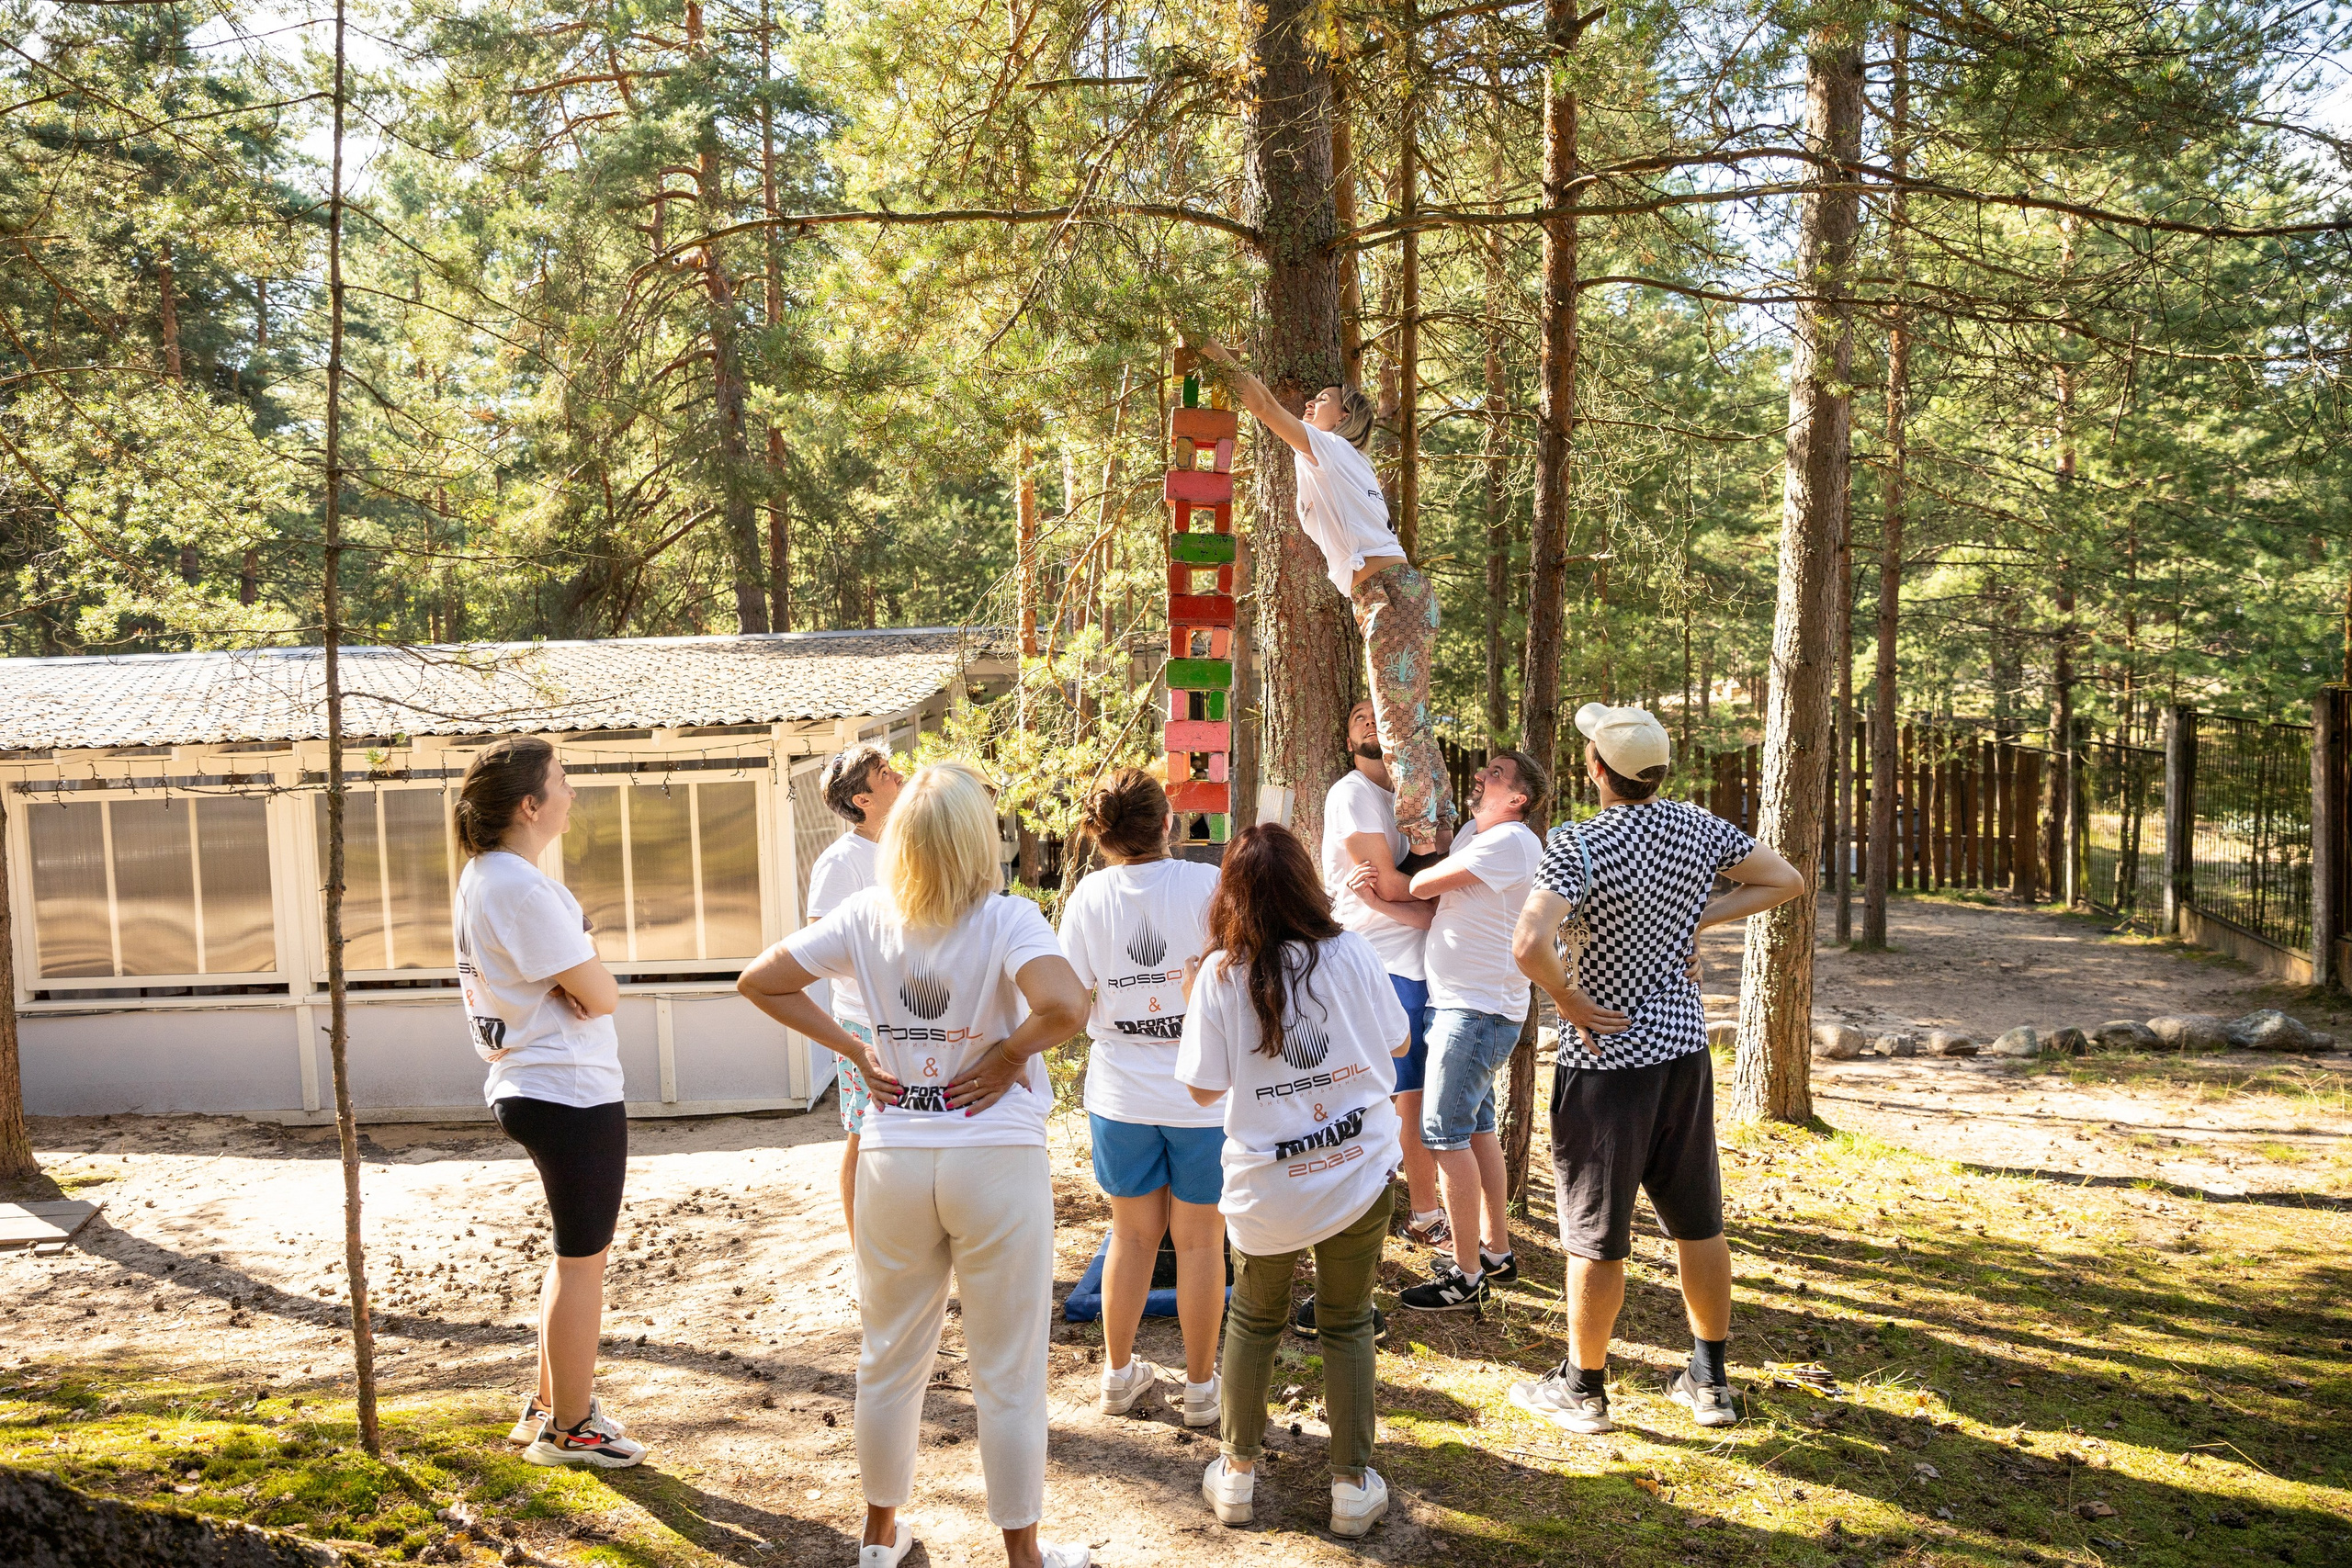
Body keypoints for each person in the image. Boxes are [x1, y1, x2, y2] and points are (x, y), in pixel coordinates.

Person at [737, 761, 1095, 1568]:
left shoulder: (867, 914)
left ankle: (877, 1538)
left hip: (895, 1155)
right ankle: (1023, 1555)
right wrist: (1008, 1054)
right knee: (1007, 1370)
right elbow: (1067, 1005)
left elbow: (759, 979)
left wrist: (853, 1048)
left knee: (889, 1356)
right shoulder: (1007, 918)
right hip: (994, 1157)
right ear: (976, 840)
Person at [1505, 705, 1805, 1435]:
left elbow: (1528, 941)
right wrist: (1695, 917)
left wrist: (1568, 998)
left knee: (1595, 1232)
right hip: (1683, 1055)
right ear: (1660, 772)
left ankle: (1584, 1388)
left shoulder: (1578, 843)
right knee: (1698, 1222)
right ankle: (1710, 1379)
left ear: (1595, 769)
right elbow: (1785, 880)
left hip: (1606, 1064)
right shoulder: (1696, 826)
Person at [1177, 824, 1408, 1540]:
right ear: (1306, 882)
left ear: (1233, 894)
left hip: (1267, 1185)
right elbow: (1399, 1039)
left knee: (1254, 1318)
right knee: (1347, 1319)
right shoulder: (1351, 951)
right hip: (1358, 1170)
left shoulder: (1222, 974)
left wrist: (1195, 998)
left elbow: (1201, 1089)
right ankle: (1352, 1485)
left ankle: (1237, 1474)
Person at [453, 735, 646, 1470]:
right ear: (530, 805)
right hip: (567, 1089)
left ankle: (548, 1403)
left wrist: (579, 973)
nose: (571, 793)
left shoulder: (485, 876)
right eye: (561, 781)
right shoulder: (523, 888)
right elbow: (602, 993)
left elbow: (574, 983)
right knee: (584, 1260)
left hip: (528, 1083)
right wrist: (586, 972)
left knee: (571, 1254)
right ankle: (571, 1429)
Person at [1195, 338, 1453, 855]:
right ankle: (1441, 831)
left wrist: (1211, 351)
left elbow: (1263, 405)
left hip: (1390, 595)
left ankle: (1427, 852)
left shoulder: (1331, 449)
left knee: (1398, 727)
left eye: (1324, 399)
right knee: (1410, 723)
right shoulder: (1338, 460)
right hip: (1393, 594)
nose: (1311, 403)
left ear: (1345, 418)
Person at [1349, 750, 1549, 1312]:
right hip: (1460, 1007)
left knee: (1442, 1136)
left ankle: (1464, 1275)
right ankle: (1495, 1253)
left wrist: (1399, 870)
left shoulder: (1511, 842)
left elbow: (1419, 886)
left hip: (1476, 1013)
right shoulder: (1472, 836)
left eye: (1497, 775)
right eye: (1486, 769)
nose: (1482, 776)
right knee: (1477, 1130)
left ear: (1518, 799)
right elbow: (1434, 915)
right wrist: (1373, 899)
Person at [1056, 768, 1226, 1426]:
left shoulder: (1088, 897)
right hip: (1200, 1095)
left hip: (1120, 1093)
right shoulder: (1206, 884)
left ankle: (1118, 1375)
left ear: (1103, 838)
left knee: (1130, 1236)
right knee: (1201, 1243)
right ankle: (1203, 1388)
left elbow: (1071, 996)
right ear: (1167, 824)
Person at [1319, 699, 1442, 1270]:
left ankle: (1391, 1204)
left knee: (1409, 1092)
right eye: (1357, 718)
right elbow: (1391, 886)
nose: (1369, 721)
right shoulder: (1352, 794)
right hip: (1377, 961)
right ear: (1349, 741)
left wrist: (1420, 890)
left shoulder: (1412, 796)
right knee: (1404, 1094)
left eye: (1376, 713)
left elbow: (1417, 878)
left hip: (1415, 957)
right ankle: (1424, 1213)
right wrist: (1420, 894)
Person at [805, 741, 907, 1243]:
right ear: (862, 800)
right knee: (864, 1136)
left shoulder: (910, 845)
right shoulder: (840, 861)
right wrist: (883, 965)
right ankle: (861, 1252)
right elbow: (818, 943)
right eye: (883, 772)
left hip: (920, 1019)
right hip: (864, 1024)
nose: (897, 775)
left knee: (912, 1135)